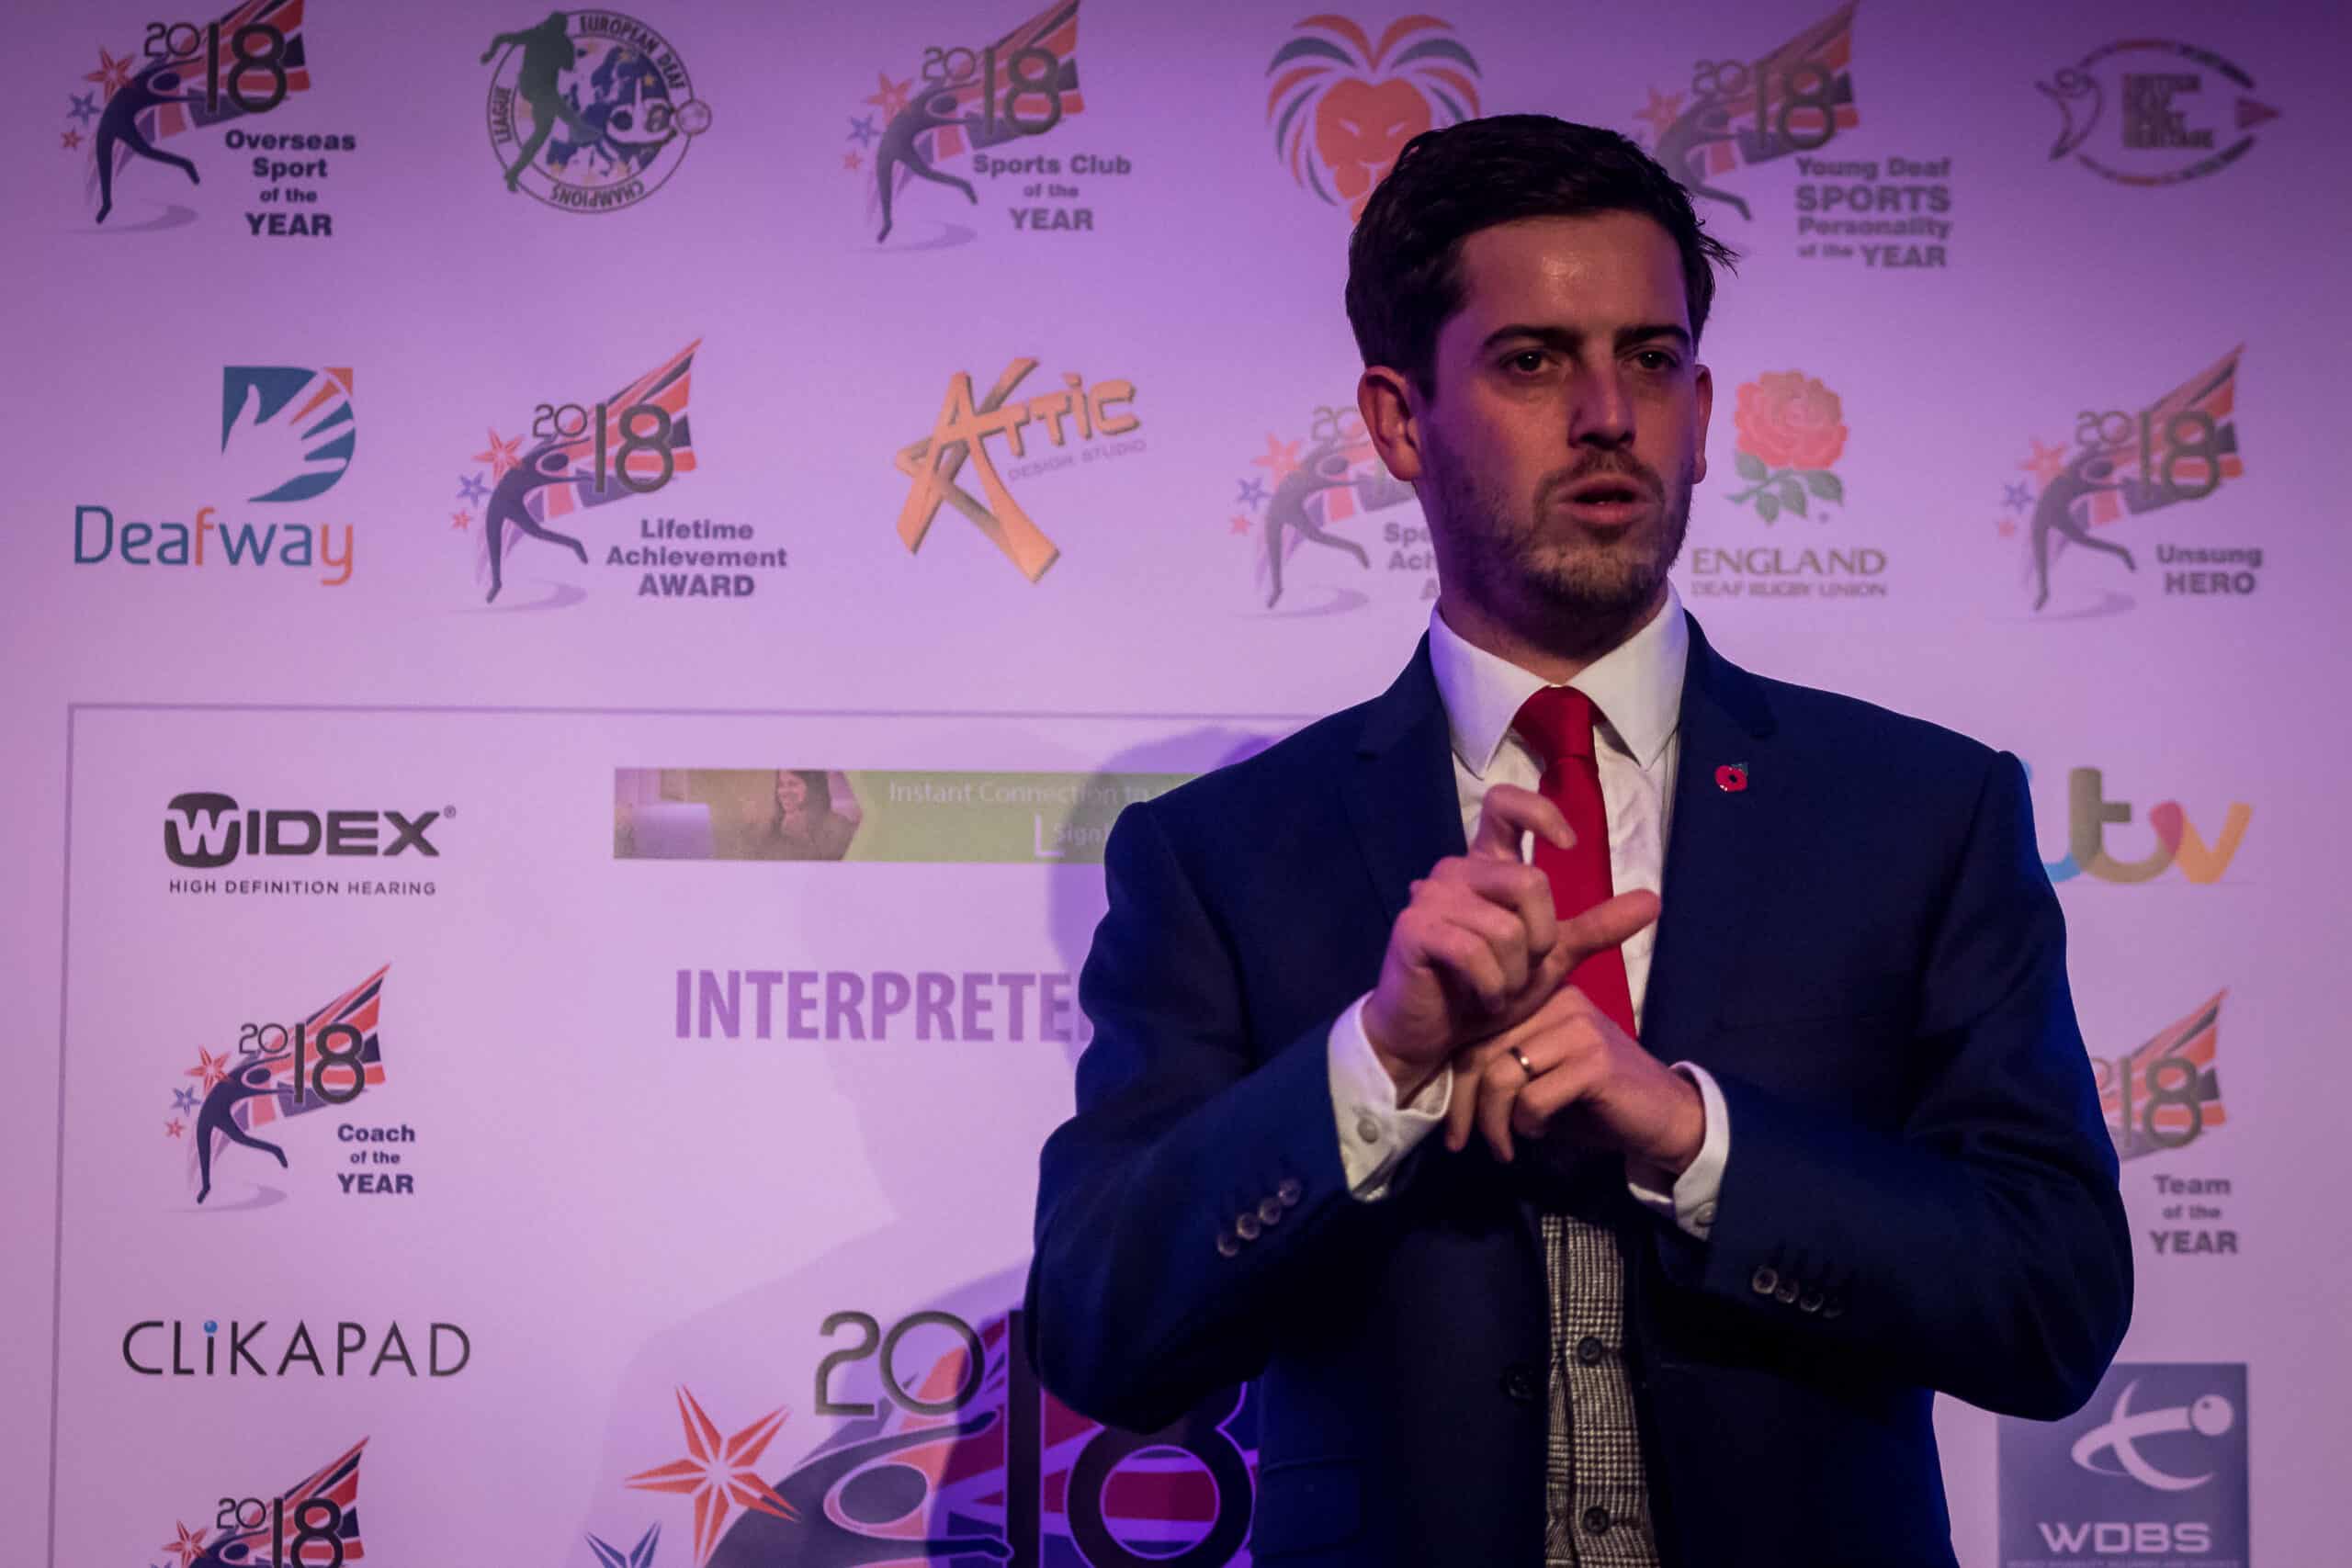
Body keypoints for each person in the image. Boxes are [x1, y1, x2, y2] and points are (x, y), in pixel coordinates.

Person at [1024, 116, 2129, 1568]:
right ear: (1398, 420)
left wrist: (1693, 1134)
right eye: (1534, 361)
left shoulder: (1922, 811)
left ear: (1704, 410)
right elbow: (1102, 1334)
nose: (1609, 412)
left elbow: (2054, 1305)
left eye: (1652, 359)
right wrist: (1377, 1062)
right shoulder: (1222, 858)